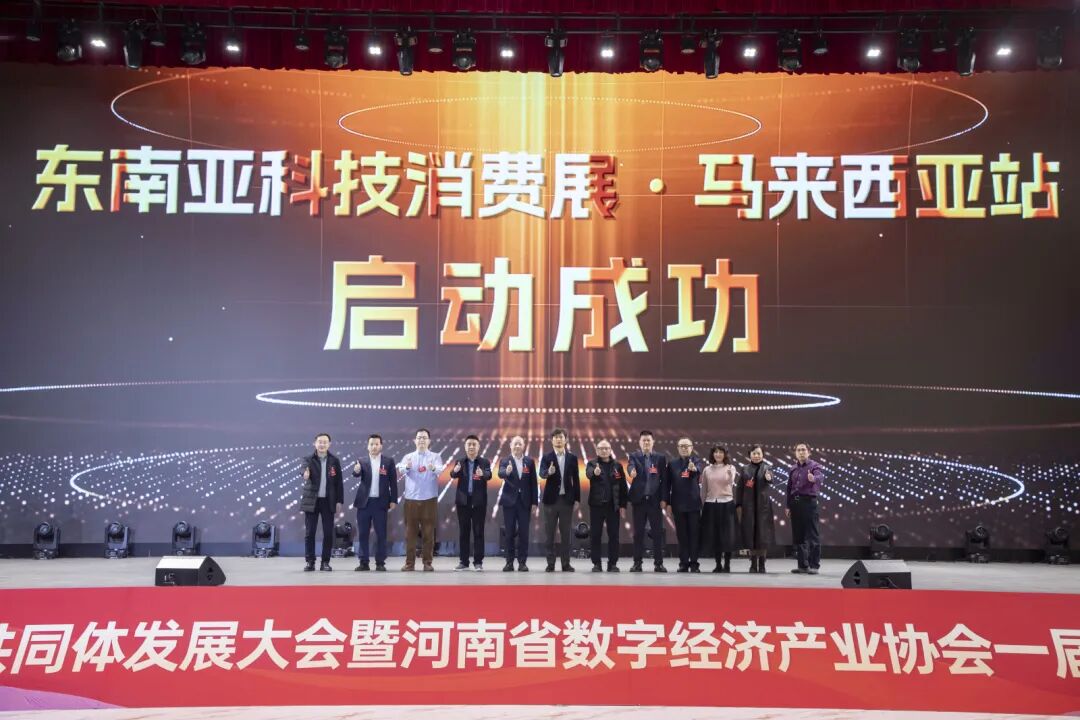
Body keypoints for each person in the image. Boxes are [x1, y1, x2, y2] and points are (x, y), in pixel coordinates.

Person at [397, 428, 446, 572]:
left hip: (429, 499)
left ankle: (427, 563)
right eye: (419, 438)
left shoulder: (435, 457)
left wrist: (433, 468)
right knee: (410, 534)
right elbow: (400, 469)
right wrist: (407, 466)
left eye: (424, 438)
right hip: (411, 500)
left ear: (429, 441)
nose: (421, 440)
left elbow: (440, 470)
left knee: (428, 533)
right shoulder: (408, 457)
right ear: (415, 440)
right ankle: (409, 563)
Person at [351, 433, 398, 572]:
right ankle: (363, 562)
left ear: (381, 446)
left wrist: (393, 499)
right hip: (364, 503)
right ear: (368, 446)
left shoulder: (388, 461)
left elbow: (393, 482)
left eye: (376, 444)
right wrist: (356, 471)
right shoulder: (361, 461)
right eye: (371, 444)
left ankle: (380, 562)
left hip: (380, 503)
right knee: (363, 534)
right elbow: (356, 474)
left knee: (381, 534)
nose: (374, 446)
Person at [625, 430, 670, 573]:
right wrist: (631, 471)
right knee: (638, 534)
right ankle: (637, 563)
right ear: (639, 442)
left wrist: (664, 498)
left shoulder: (660, 458)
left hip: (655, 501)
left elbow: (664, 480)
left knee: (657, 534)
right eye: (643, 440)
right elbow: (630, 466)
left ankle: (659, 564)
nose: (646, 443)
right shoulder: (634, 456)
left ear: (652, 442)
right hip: (639, 501)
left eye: (648, 440)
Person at [539, 428, 581, 572]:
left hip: (566, 501)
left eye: (561, 437)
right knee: (549, 534)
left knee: (566, 534)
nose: (558, 439)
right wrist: (548, 472)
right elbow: (541, 473)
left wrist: (577, 499)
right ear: (552, 440)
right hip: (550, 501)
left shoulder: (572, 458)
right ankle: (550, 563)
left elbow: (576, 480)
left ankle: (565, 564)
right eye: (556, 437)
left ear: (566, 440)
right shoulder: (546, 457)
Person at [300, 432, 343, 572]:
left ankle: (325, 562)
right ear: (315, 443)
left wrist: (339, 501)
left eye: (325, 442)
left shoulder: (334, 460)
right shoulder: (308, 459)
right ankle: (310, 562)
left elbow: (339, 482)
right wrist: (305, 474)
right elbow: (303, 470)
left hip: (328, 501)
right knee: (310, 533)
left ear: (329, 444)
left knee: (328, 533)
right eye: (320, 441)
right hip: (312, 501)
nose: (322, 444)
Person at [450, 434, 492, 571]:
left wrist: (482, 474)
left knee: (478, 532)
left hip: (479, 502)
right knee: (464, 532)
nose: (471, 447)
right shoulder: (460, 461)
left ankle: (478, 562)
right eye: (469, 444)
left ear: (478, 447)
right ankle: (464, 562)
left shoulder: (484, 462)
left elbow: (489, 475)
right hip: (463, 502)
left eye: (474, 444)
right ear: (465, 446)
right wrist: (455, 471)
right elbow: (453, 474)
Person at [584, 439, 628, 573]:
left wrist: (623, 505)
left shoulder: (617, 466)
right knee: (595, 535)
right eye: (601, 448)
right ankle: (596, 563)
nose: (604, 451)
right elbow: (588, 474)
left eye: (606, 448)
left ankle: (612, 563)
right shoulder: (592, 463)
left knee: (614, 536)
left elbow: (623, 486)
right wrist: (595, 473)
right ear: (597, 450)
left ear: (610, 450)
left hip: (613, 506)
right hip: (597, 506)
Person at [497, 435, 539, 572]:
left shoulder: (529, 462)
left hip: (525, 503)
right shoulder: (505, 460)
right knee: (509, 533)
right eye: (515, 444)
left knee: (523, 533)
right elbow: (500, 473)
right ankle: (509, 562)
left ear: (524, 446)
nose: (517, 446)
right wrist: (507, 471)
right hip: (509, 502)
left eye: (520, 444)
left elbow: (533, 483)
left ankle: (522, 562)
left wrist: (534, 502)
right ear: (510, 446)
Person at [735, 444, 776, 573]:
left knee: (762, 535)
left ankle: (762, 563)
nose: (756, 456)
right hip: (749, 507)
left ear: (763, 455)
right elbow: (740, 488)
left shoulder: (767, 468)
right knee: (751, 534)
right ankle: (753, 563)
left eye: (759, 453)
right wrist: (739, 504)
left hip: (763, 507)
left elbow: (770, 478)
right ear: (750, 455)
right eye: (754, 453)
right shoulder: (745, 469)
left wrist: (769, 478)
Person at [786, 442, 824, 575]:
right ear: (795, 453)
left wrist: (813, 478)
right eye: (798, 450)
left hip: (809, 502)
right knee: (799, 536)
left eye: (803, 450)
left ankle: (814, 565)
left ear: (809, 452)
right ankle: (802, 565)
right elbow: (789, 488)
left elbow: (820, 476)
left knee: (812, 534)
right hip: (795, 503)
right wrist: (788, 505)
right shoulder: (793, 468)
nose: (801, 452)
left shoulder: (814, 466)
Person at [668, 437, 704, 573]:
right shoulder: (672, 464)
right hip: (678, 505)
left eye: (686, 446)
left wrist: (693, 469)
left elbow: (697, 472)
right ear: (678, 448)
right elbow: (667, 484)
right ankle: (683, 563)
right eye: (681, 446)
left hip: (693, 505)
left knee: (694, 535)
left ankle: (694, 563)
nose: (684, 448)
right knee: (682, 536)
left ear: (691, 448)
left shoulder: (696, 461)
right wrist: (668, 502)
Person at [700, 445, 737, 573]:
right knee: (714, 535)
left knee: (727, 535)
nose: (718, 454)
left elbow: (730, 483)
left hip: (726, 504)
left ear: (725, 454)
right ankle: (718, 564)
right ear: (712, 454)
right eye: (716, 452)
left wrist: (730, 474)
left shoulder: (730, 468)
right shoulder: (707, 469)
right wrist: (703, 504)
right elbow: (704, 488)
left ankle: (727, 564)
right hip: (711, 504)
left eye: (721, 452)